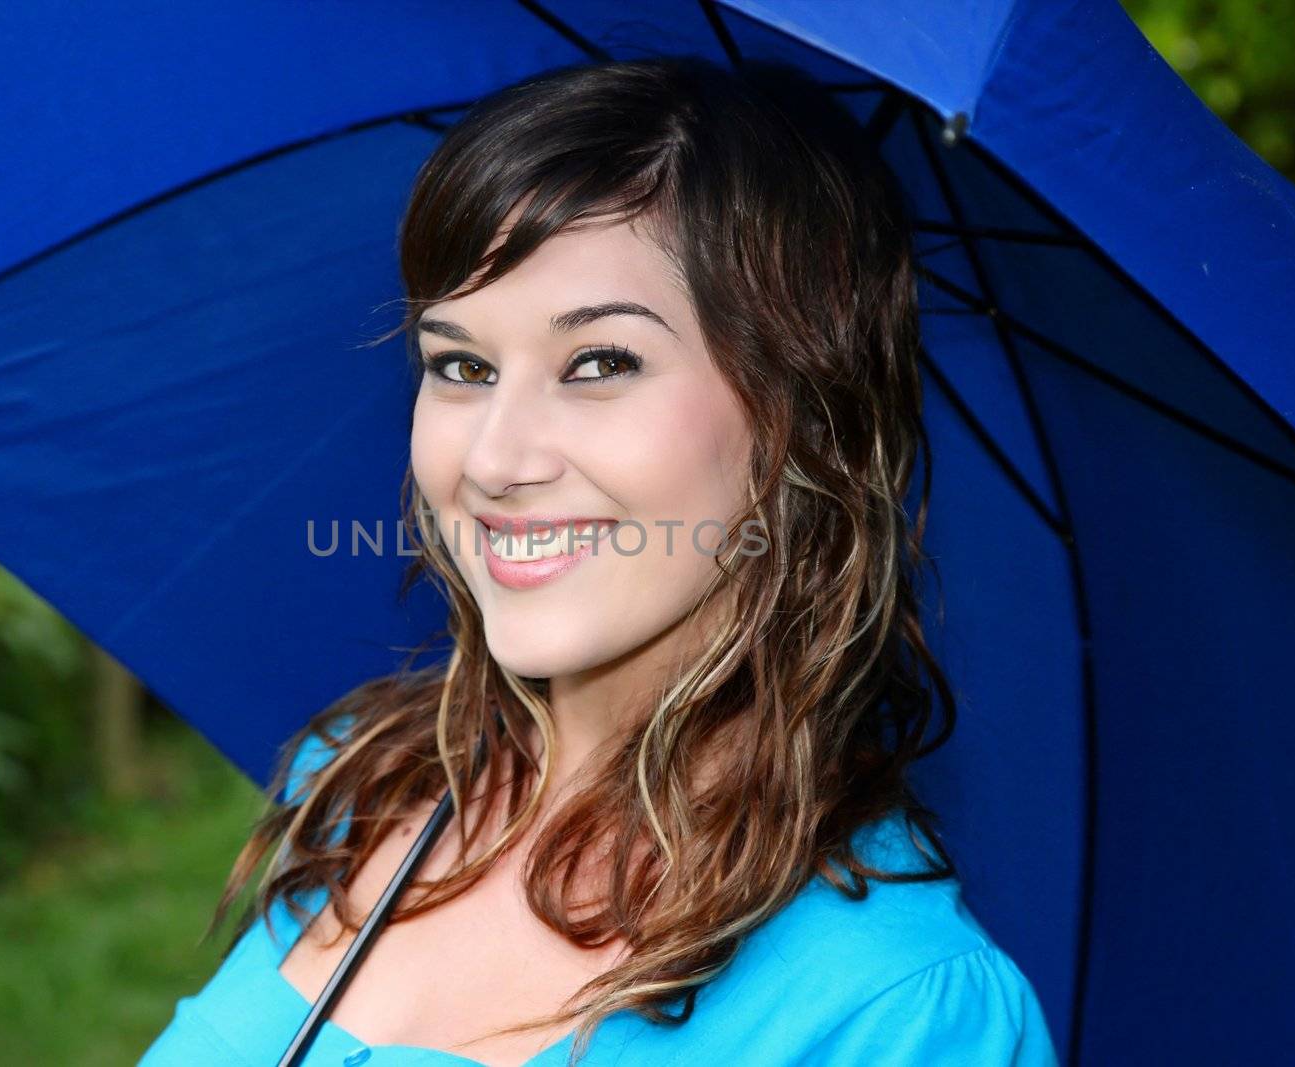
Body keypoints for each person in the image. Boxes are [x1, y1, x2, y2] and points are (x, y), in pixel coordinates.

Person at [141, 56, 1058, 1067]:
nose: (492, 458)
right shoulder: (361, 779)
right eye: (462, 365)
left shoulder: (899, 1015)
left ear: (804, 423)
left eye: (598, 364)